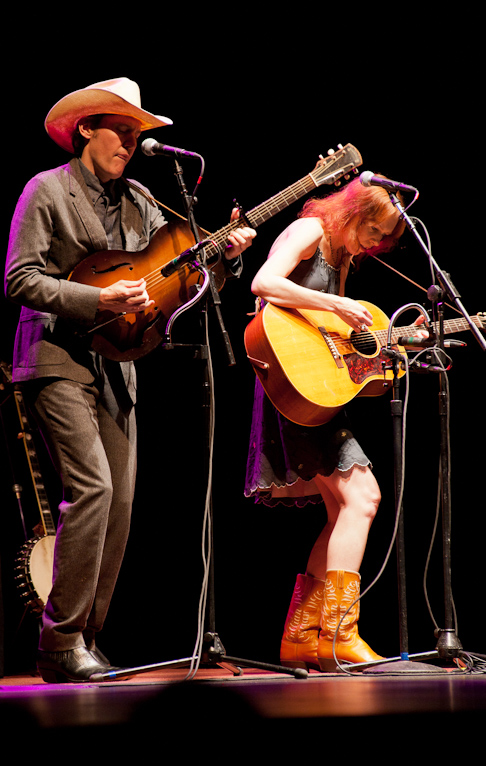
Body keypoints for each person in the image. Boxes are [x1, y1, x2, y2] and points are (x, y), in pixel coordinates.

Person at [4, 77, 256, 683]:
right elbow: (19, 279)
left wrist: (223, 258)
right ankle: (58, 640)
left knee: (119, 501)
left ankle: (85, 639)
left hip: (119, 367)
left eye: (136, 130)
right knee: (90, 489)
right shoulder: (47, 190)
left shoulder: (143, 198)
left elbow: (177, 285)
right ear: (86, 128)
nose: (130, 139)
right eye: (120, 128)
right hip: (55, 356)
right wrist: (96, 296)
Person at [244, 177, 425, 671]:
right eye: (371, 230)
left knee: (345, 507)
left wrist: (395, 345)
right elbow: (263, 284)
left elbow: (337, 343)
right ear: (352, 214)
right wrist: (336, 303)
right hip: (290, 388)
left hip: (318, 394)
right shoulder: (309, 231)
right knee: (363, 499)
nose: (374, 243)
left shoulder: (343, 257)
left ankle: (303, 638)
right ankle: (340, 633)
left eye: (382, 237)